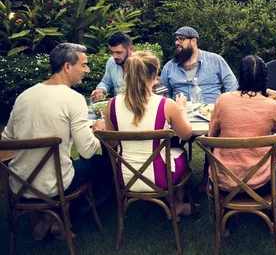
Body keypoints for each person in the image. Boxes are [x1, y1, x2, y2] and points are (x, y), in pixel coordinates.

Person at [2, 43, 108, 240]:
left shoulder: (25, 96)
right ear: (67, 67)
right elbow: (86, 152)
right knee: (103, 163)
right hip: (54, 186)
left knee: (65, 167)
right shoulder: (73, 99)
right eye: (84, 65)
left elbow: (6, 141)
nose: (88, 70)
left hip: (19, 184)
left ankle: (47, 219)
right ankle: (65, 215)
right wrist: (98, 133)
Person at [104, 51, 196, 219]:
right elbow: (186, 135)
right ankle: (176, 204)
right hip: (160, 177)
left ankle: (175, 204)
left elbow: (111, 142)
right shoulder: (166, 104)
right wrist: (181, 107)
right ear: (154, 75)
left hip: (124, 177)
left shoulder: (111, 104)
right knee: (180, 153)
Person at [208, 55, 276, 195]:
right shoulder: (272, 106)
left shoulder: (222, 100)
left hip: (224, 180)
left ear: (240, 76)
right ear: (265, 78)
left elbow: (211, 135)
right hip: (262, 183)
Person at [160, 26, 238, 104]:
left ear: (193, 41)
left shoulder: (215, 60)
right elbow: (165, 95)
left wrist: (227, 106)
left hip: (210, 113)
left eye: (181, 39)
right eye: (176, 40)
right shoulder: (169, 67)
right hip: (181, 113)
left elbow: (231, 85)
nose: (177, 43)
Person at [91, 32, 134, 100]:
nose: (115, 56)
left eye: (119, 52)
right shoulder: (111, 61)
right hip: (117, 107)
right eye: (112, 52)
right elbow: (106, 83)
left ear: (130, 49)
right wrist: (101, 90)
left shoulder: (142, 65)